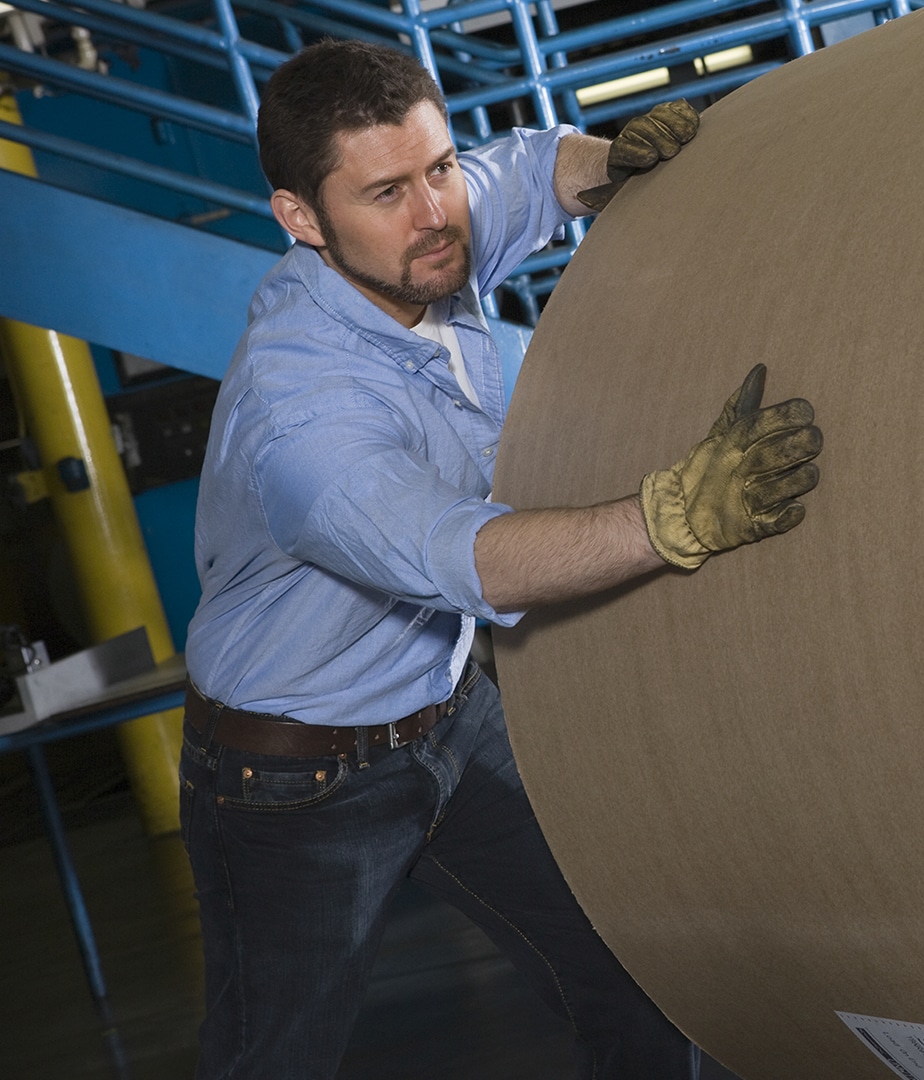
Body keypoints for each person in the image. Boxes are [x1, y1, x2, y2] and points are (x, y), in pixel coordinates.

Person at [179, 37, 822, 1080]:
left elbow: (525, 166)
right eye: (388, 191)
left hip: (444, 712)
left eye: (436, 168)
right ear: (302, 218)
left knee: (637, 973)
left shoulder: (427, 231)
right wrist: (672, 517)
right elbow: (467, 559)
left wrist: (606, 160)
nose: (434, 212)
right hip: (295, 776)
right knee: (271, 1062)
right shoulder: (301, 415)